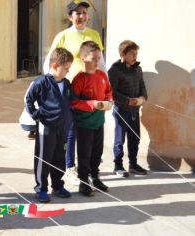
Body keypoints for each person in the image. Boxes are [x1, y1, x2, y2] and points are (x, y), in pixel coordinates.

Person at [43, 0, 106, 185]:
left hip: (92, 88)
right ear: (70, 17)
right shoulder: (63, 35)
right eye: (77, 13)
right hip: (70, 88)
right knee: (71, 129)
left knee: (91, 131)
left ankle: (90, 169)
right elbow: (49, 62)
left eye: (84, 12)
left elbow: (101, 62)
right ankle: (70, 167)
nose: (82, 16)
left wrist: (105, 85)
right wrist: (51, 85)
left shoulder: (94, 34)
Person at [26, 47, 73, 203]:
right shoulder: (41, 82)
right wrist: (36, 114)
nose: (68, 71)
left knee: (59, 157)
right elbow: (28, 99)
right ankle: (41, 188)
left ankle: (58, 185)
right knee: (44, 158)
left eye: (69, 68)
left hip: (63, 127)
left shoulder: (66, 83)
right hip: (46, 128)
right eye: (66, 68)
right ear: (54, 66)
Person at [70, 41, 113, 197]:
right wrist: (93, 104)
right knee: (84, 154)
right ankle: (83, 181)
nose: (97, 62)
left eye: (99, 58)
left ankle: (95, 177)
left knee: (97, 152)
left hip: (98, 122)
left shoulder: (102, 75)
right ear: (83, 58)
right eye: (94, 58)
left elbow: (108, 92)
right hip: (84, 125)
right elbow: (73, 102)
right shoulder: (79, 79)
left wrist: (109, 101)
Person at [108, 40, 148, 177]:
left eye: (136, 53)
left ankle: (133, 164)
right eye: (132, 54)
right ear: (123, 54)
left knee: (135, 138)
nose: (135, 57)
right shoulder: (114, 70)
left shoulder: (138, 69)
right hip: (121, 110)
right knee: (120, 139)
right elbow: (111, 92)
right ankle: (118, 165)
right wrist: (128, 101)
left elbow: (143, 87)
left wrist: (142, 98)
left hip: (135, 111)